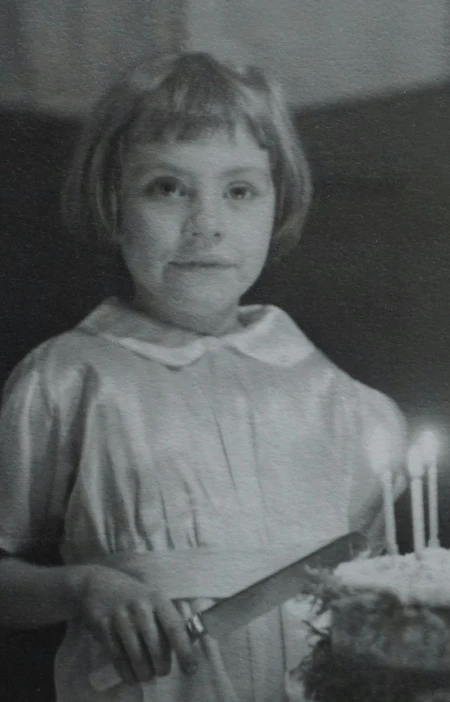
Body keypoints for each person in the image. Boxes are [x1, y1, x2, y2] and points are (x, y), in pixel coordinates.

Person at [0, 51, 406, 702]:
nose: (206, 224)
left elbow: (372, 598)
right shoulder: (68, 382)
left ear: (279, 203)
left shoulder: (342, 404)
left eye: (239, 190)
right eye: (168, 187)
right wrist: (82, 586)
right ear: (112, 200)